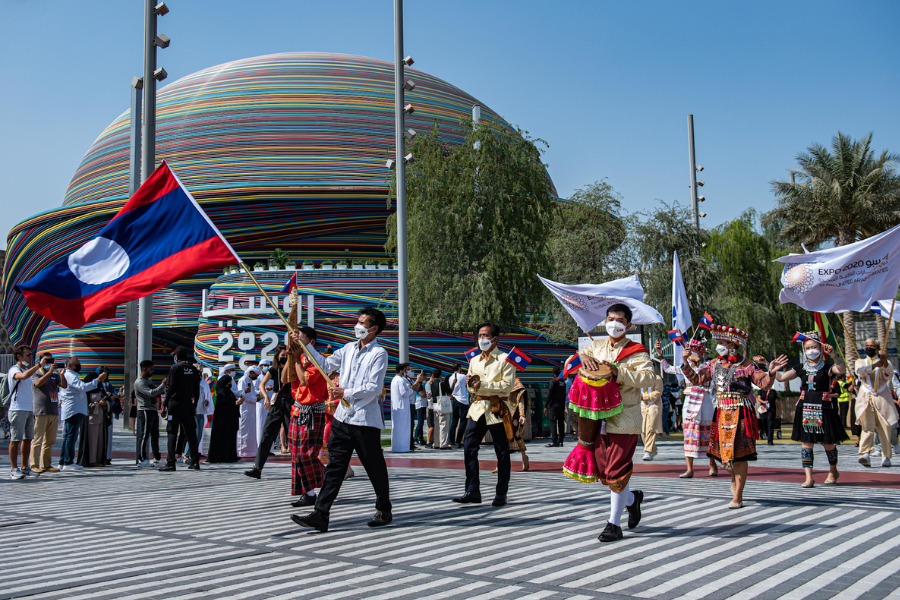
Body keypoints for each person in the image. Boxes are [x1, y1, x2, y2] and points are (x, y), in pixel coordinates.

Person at [290, 307, 392, 532]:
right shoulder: (347, 349)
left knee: (374, 467)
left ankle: (384, 509)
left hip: (365, 421)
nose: (358, 326)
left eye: (363, 323)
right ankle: (320, 514)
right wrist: (305, 344)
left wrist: (345, 392)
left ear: (374, 328)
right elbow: (325, 365)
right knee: (334, 467)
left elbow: (374, 388)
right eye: (358, 321)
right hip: (342, 419)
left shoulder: (379, 354)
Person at [563, 304, 655, 542]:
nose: (615, 324)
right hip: (597, 418)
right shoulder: (595, 346)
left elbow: (649, 378)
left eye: (620, 320)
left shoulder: (637, 351)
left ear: (628, 325)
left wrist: (619, 372)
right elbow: (572, 364)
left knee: (617, 470)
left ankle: (614, 524)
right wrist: (581, 356)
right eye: (611, 319)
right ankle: (632, 500)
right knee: (605, 472)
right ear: (605, 321)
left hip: (625, 418)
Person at [681, 324, 785, 509]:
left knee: (740, 455)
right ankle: (734, 478)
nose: (718, 346)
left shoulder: (748, 365)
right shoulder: (714, 364)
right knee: (724, 456)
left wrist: (771, 372)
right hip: (721, 412)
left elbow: (764, 383)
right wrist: (685, 362)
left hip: (741, 412)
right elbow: (697, 380)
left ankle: (738, 496)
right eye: (719, 342)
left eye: (722, 342)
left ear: (733, 345)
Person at [452, 322, 516, 507]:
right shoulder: (473, 360)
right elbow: (470, 386)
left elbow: (507, 387)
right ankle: (472, 490)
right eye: (479, 335)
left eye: (485, 335)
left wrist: (483, 386)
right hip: (478, 409)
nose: (481, 339)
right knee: (469, 447)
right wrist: (472, 386)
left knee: (502, 452)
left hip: (498, 409)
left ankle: (501, 493)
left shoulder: (506, 359)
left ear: (495, 339)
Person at [774, 332, 847, 487]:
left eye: (814, 347)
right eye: (807, 348)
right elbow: (781, 378)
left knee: (828, 443)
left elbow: (841, 370)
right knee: (806, 443)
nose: (811, 350)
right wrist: (772, 368)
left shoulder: (827, 366)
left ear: (820, 348)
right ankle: (809, 477)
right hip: (805, 407)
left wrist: (833, 355)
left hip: (824, 408)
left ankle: (833, 470)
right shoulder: (800, 368)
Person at [657, 339, 718, 478]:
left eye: (694, 351)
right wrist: (660, 356)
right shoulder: (685, 366)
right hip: (690, 400)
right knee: (689, 432)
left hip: (705, 400)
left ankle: (712, 463)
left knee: (709, 432)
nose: (691, 355)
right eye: (689, 352)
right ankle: (690, 469)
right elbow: (668, 368)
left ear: (700, 352)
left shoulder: (708, 365)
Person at [286, 327, 330, 506]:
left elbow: (304, 380)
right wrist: (291, 357)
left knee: (306, 453)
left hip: (312, 411)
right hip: (297, 410)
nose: (296, 342)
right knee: (296, 453)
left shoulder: (318, 360)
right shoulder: (299, 358)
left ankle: (329, 478)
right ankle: (308, 492)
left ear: (311, 342)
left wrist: (296, 359)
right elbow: (284, 379)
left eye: (300, 339)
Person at [244, 346, 293, 478]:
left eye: (286, 355)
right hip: (277, 403)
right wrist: (266, 396)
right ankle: (257, 468)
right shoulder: (274, 369)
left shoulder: (292, 367)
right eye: (282, 355)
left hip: (290, 402)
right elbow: (262, 384)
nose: (284, 357)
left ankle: (299, 469)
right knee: (266, 435)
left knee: (293, 437)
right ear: (277, 356)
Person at [854, 337, 899, 468]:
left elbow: (889, 375)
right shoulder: (860, 361)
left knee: (885, 427)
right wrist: (874, 366)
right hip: (866, 398)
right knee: (867, 427)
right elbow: (860, 372)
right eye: (867, 346)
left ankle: (886, 456)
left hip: (882, 398)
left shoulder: (886, 362)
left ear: (878, 348)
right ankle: (865, 454)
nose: (869, 348)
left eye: (872, 346)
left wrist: (884, 364)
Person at [57, 358, 107, 471]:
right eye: (77, 364)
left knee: (68, 435)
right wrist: (98, 380)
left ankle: (63, 460)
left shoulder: (69, 375)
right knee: (71, 436)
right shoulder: (70, 376)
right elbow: (83, 387)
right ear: (69, 365)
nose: (79, 366)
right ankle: (68, 461)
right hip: (73, 409)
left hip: (73, 408)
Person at [158, 347, 201, 472]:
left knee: (172, 432)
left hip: (175, 404)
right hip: (188, 404)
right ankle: (195, 462)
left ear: (176, 356)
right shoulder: (193, 369)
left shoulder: (175, 368)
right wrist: (194, 405)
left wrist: (164, 404)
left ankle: (171, 463)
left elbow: (171, 387)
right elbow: (197, 389)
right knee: (191, 434)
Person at [7, 345, 41, 479]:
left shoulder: (27, 370)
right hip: (17, 409)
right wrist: (38, 366)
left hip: (28, 409)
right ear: (19, 357)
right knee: (15, 440)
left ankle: (24, 467)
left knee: (28, 439)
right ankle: (13, 469)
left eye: (31, 354)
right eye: (28, 355)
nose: (30, 357)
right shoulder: (14, 370)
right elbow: (23, 376)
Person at [30, 352, 67, 474]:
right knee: (37, 439)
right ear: (40, 361)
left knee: (50, 440)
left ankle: (46, 464)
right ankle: (34, 464)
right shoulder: (36, 373)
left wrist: (62, 375)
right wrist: (49, 372)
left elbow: (64, 385)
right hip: (41, 410)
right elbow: (38, 383)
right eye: (46, 360)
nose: (49, 363)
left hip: (53, 410)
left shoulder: (55, 374)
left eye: (51, 360)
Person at [494, 378, 530, 472]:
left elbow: (521, 399)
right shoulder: (498, 378)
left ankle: (524, 456)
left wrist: (522, 414)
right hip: (501, 410)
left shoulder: (516, 381)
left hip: (513, 411)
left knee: (515, 434)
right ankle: (499, 463)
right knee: (500, 436)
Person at [134, 360, 166, 467]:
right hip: (145, 410)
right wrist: (162, 385)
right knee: (144, 435)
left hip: (153, 410)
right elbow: (151, 393)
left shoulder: (149, 380)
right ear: (144, 369)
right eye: (151, 369)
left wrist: (162, 387)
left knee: (155, 435)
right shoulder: (140, 382)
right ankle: (142, 459)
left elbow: (157, 390)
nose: (153, 371)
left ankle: (157, 457)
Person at [208, 364, 241, 463]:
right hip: (223, 421)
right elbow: (223, 406)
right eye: (229, 382)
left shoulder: (228, 392)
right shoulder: (221, 393)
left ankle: (230, 455)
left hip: (230, 420)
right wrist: (235, 403)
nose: (230, 384)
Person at [390, 363, 424, 452]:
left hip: (398, 406)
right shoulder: (401, 380)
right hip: (402, 407)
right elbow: (404, 393)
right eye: (406, 370)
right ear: (401, 371)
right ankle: (403, 447)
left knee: (399, 427)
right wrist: (411, 390)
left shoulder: (394, 379)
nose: (406, 372)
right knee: (404, 427)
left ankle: (399, 446)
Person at [77, 372, 109, 467]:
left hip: (101, 418)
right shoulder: (86, 392)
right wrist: (98, 404)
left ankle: (99, 459)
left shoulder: (100, 389)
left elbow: (108, 401)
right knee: (92, 441)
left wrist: (105, 403)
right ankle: (91, 460)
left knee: (100, 441)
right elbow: (84, 405)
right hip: (91, 420)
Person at [185, 367, 214, 462]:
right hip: (193, 413)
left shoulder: (202, 384)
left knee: (199, 435)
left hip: (201, 413)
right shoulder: (189, 385)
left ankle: (193, 453)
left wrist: (206, 403)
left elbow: (206, 397)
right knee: (193, 435)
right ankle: (187, 454)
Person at [236, 365, 261, 458]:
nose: (257, 377)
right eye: (256, 375)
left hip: (251, 409)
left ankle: (250, 451)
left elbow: (252, 393)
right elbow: (243, 395)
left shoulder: (250, 381)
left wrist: (258, 395)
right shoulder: (243, 380)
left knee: (251, 430)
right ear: (251, 373)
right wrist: (255, 399)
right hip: (245, 409)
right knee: (244, 429)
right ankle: (242, 451)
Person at [639, 376, 663, 461]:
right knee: (642, 430)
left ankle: (648, 451)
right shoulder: (639, 377)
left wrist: (644, 397)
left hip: (654, 404)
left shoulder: (657, 379)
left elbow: (658, 392)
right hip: (642, 405)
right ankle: (653, 449)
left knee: (651, 427)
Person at [95, 366, 116, 465]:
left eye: (106, 373)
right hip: (98, 411)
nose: (105, 375)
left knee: (108, 434)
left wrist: (112, 397)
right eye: (102, 372)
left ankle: (107, 456)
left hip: (107, 411)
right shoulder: (95, 383)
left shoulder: (109, 384)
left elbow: (113, 396)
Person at [429, 369, 453, 450]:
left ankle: (436, 443)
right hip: (442, 405)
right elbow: (450, 391)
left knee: (436, 425)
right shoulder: (441, 384)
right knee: (444, 424)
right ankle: (443, 444)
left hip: (435, 405)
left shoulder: (432, 384)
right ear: (440, 376)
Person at [447, 364, 469, 448]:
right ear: (459, 368)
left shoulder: (450, 377)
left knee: (454, 421)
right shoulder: (463, 376)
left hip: (455, 399)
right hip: (463, 400)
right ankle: (458, 441)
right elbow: (467, 385)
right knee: (463, 421)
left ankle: (452, 440)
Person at [545, 367, 567, 447]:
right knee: (561, 422)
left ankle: (554, 441)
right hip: (561, 404)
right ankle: (561, 440)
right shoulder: (563, 382)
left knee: (553, 422)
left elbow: (550, 393)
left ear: (553, 373)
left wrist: (546, 405)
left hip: (554, 405)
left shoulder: (553, 381)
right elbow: (564, 394)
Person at [257, 358, 273, 452]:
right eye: (264, 366)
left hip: (271, 404)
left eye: (267, 366)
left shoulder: (271, 378)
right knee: (261, 425)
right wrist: (265, 389)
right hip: (261, 404)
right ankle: (261, 447)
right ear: (260, 367)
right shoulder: (258, 378)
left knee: (269, 425)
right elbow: (255, 392)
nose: (266, 367)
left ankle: (269, 448)